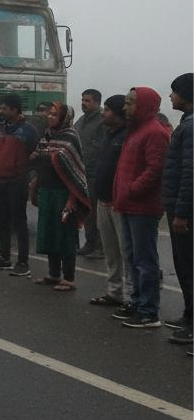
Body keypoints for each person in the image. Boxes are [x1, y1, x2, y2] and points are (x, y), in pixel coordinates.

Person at [111, 87, 171, 329]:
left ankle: (148, 311)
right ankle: (137, 303)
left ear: (146, 105)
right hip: (127, 204)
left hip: (143, 207)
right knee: (132, 257)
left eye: (132, 103)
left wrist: (132, 190)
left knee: (145, 261)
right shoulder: (134, 131)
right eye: (126, 102)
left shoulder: (155, 132)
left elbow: (155, 169)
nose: (126, 107)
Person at [30, 103, 90, 291]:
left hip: (64, 193)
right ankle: (53, 274)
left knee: (65, 235)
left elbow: (68, 164)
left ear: (64, 118)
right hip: (47, 192)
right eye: (50, 114)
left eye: (55, 115)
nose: (50, 117)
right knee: (48, 233)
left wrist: (44, 158)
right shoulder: (48, 136)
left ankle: (69, 277)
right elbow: (38, 159)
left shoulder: (70, 137)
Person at [0, 93, 38, 275]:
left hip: (17, 182)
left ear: (14, 109)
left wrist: (23, 169)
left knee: (19, 222)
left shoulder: (28, 130)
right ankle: (4, 257)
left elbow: (35, 153)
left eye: (4, 108)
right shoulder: (0, 128)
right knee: (2, 221)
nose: (1, 111)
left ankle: (23, 263)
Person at [161, 73, 194, 346]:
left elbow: (189, 174)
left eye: (174, 92)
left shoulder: (192, 127)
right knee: (183, 266)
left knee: (189, 265)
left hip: (186, 211)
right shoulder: (186, 123)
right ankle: (189, 315)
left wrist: (182, 212)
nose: (170, 96)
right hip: (178, 207)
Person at [88, 95, 129, 307]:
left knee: (126, 251)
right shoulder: (109, 135)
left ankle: (131, 298)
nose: (103, 113)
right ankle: (114, 292)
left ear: (119, 113)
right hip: (103, 200)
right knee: (111, 251)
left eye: (107, 109)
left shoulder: (127, 136)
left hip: (120, 202)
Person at [75, 89, 106, 257]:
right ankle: (90, 242)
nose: (84, 103)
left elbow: (100, 148)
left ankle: (100, 247)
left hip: (95, 173)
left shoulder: (102, 121)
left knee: (96, 211)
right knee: (86, 209)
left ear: (97, 102)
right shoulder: (81, 121)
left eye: (87, 101)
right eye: (82, 99)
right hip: (82, 172)